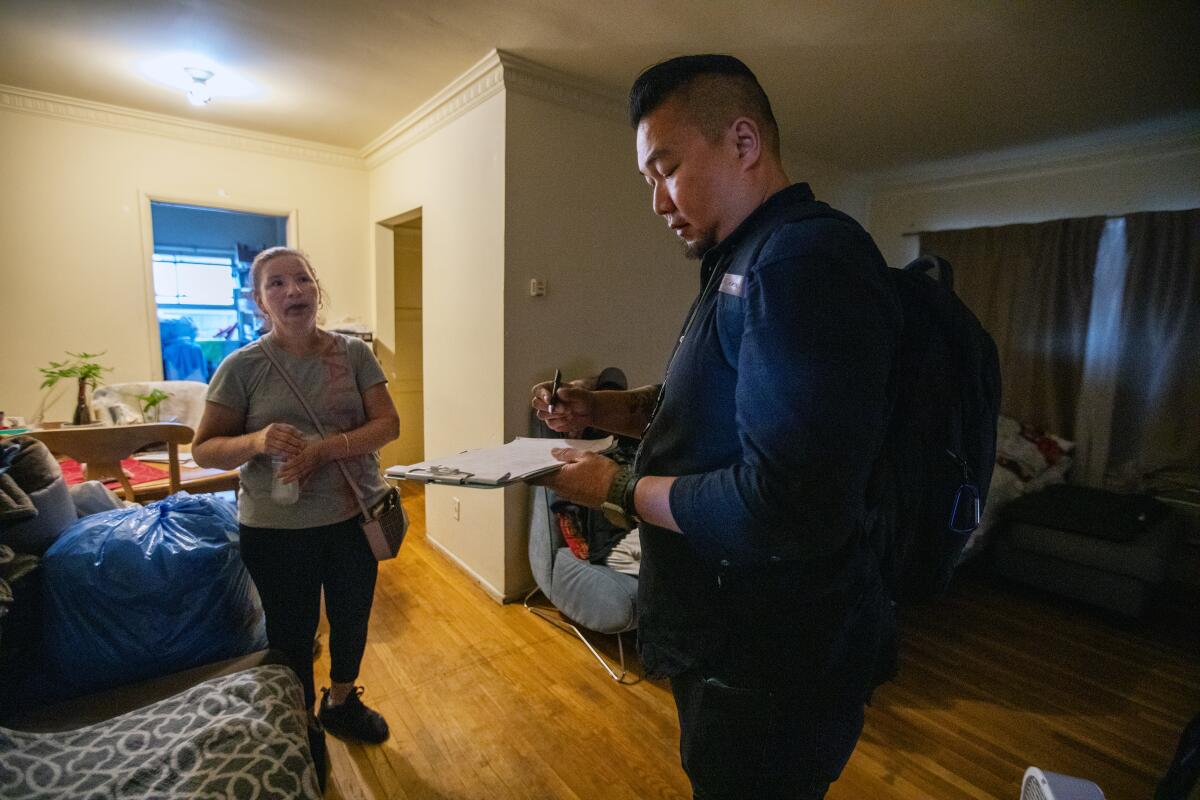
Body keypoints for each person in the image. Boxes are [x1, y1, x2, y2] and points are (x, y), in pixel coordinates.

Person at [530, 55, 901, 799]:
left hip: (769, 664)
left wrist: (616, 485)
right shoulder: (743, 257)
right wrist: (605, 410)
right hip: (725, 646)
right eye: (648, 179)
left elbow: (787, 501)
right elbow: (707, 406)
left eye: (666, 168)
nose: (658, 199)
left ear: (743, 141)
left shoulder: (801, 259)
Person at [192, 247, 400, 758]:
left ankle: (342, 700)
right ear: (259, 301)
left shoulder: (353, 355)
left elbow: (388, 425)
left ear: (317, 289)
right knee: (291, 631)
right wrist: (258, 441)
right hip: (274, 529)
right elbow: (205, 449)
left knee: (352, 617)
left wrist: (321, 451)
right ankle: (299, 717)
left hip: (353, 516)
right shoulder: (242, 367)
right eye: (277, 284)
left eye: (302, 280)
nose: (293, 292)